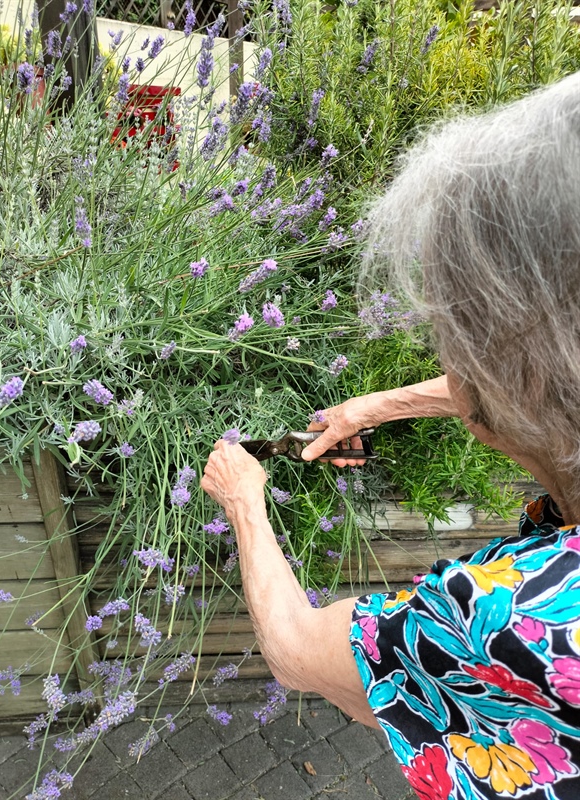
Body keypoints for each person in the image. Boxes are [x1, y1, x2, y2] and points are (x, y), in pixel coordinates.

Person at [202, 72, 580, 800]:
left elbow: (297, 651)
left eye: (453, 335)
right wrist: (372, 407)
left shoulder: (513, 619)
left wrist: (244, 499)